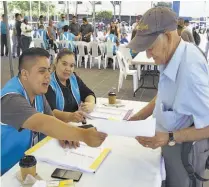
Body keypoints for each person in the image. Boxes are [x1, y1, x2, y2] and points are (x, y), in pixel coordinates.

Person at [128, 7, 209, 187]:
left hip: (185, 149)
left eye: (150, 48)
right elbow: (164, 94)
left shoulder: (191, 71)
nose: (148, 55)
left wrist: (169, 137)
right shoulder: (170, 55)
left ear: (169, 36)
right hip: (170, 141)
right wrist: (139, 116)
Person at [1, 48, 107, 175]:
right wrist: (83, 135)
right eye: (41, 71)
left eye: (48, 70)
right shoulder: (10, 99)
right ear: (24, 74)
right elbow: (43, 123)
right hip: (8, 171)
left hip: (33, 161)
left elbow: (51, 119)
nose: (48, 76)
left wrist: (64, 134)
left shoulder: (37, 91)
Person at [45, 49, 96, 123]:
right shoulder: (49, 84)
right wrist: (71, 116)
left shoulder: (73, 78)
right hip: (58, 125)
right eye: (64, 64)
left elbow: (88, 93)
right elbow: (51, 111)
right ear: (56, 62)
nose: (68, 69)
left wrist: (90, 104)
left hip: (75, 122)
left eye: (71, 65)